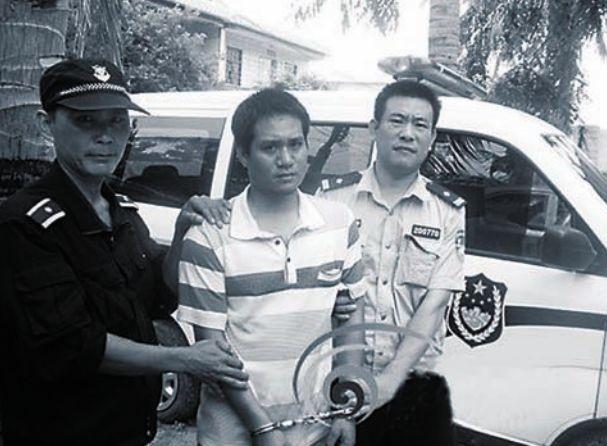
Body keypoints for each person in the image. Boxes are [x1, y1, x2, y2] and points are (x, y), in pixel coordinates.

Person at [0, 58, 247, 446]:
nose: (105, 136)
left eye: (117, 121)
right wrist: (185, 358)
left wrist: (183, 230)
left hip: (129, 429)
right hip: (61, 433)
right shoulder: (24, 223)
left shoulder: (123, 214)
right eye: (85, 121)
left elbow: (160, 298)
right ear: (45, 124)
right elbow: (72, 345)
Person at [175, 89, 366, 446]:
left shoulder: (340, 224)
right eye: (270, 147)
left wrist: (345, 407)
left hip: (316, 428)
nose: (286, 159)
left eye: (296, 144)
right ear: (243, 154)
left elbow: (352, 320)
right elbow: (214, 351)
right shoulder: (209, 236)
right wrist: (262, 429)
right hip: (232, 433)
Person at [319, 80, 465, 445]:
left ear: (431, 137)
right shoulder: (332, 200)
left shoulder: (447, 211)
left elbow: (435, 303)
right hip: (340, 380)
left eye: (420, 124)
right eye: (397, 120)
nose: (407, 133)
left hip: (413, 386)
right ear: (374, 128)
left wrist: (389, 382)